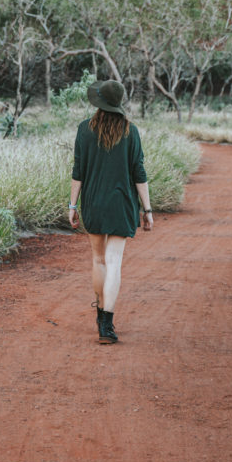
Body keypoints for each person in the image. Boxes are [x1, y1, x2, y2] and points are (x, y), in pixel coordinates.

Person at [68, 79, 153, 343]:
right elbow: (138, 173)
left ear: (98, 103)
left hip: (93, 202)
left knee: (98, 259)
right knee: (115, 262)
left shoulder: (84, 130)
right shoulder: (131, 131)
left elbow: (78, 172)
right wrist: (148, 209)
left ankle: (100, 314)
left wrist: (72, 205)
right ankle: (107, 323)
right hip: (121, 204)